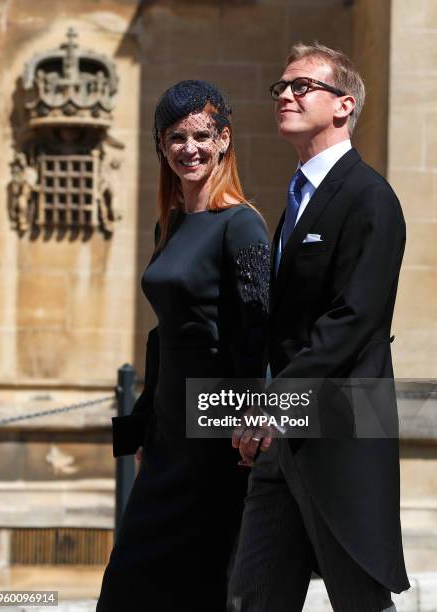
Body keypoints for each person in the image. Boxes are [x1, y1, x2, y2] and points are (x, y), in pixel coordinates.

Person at [228, 43, 410, 612]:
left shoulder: (369, 197)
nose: (284, 94)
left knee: (358, 599)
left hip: (340, 426)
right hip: (282, 435)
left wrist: (272, 404)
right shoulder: (298, 198)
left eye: (301, 86)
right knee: (251, 597)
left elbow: (354, 319)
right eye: (280, 87)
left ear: (343, 105)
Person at [96, 80, 270, 612]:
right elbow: (164, 336)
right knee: (131, 581)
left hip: (216, 427)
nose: (188, 148)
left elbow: (254, 329)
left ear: (223, 139)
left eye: (201, 134)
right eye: (175, 137)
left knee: (199, 580)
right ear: (161, 146)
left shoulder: (242, 224)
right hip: (170, 425)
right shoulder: (168, 224)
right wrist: (149, 423)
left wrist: (252, 412)